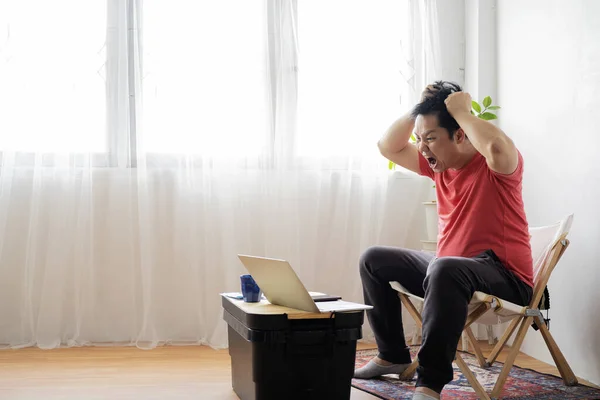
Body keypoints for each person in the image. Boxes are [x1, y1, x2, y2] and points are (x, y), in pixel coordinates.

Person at [353, 81, 534, 400]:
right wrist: (418, 110)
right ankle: (392, 355)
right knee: (374, 258)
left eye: (431, 139)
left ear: (460, 134)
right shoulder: (440, 169)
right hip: (447, 272)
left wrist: (461, 110)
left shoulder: (495, 167)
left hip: (505, 278)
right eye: (419, 140)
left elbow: (496, 147)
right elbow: (388, 147)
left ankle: (429, 385)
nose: (422, 148)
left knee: (445, 267)